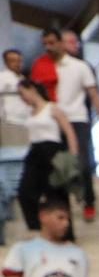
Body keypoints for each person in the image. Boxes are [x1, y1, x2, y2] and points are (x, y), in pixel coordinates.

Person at [47, 31, 99, 222]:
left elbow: (93, 94)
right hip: (53, 120)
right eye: (70, 42)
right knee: (57, 166)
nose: (74, 45)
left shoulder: (81, 67)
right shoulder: (47, 67)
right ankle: (62, 208)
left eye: (75, 42)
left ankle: (89, 201)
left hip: (77, 119)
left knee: (82, 163)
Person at [8, 85, 79, 232]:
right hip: (35, 152)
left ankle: (64, 231)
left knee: (56, 193)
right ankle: (38, 227)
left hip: (53, 151)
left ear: (32, 89)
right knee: (25, 191)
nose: (22, 98)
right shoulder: (29, 112)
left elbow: (69, 131)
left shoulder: (52, 108)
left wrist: (73, 157)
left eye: (23, 93)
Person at [0, 51, 32, 146]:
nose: (17, 64)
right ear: (6, 62)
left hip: (26, 121)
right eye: (13, 61)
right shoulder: (2, 78)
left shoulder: (23, 79)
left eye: (19, 61)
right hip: (10, 121)